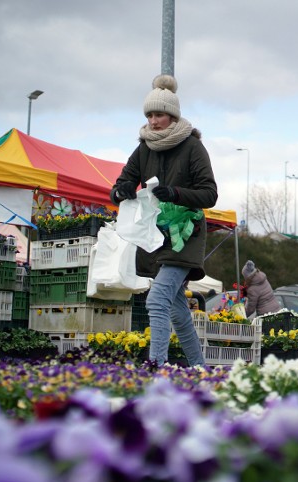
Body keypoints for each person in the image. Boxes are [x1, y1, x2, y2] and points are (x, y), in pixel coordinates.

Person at [111, 74, 217, 367]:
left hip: (185, 234)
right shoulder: (144, 147)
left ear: (172, 116)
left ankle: (156, 368)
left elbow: (209, 194)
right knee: (177, 310)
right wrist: (119, 191)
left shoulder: (193, 147)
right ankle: (200, 369)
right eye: (149, 115)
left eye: (158, 115)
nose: (153, 121)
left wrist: (175, 193)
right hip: (155, 236)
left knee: (157, 300)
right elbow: (125, 179)